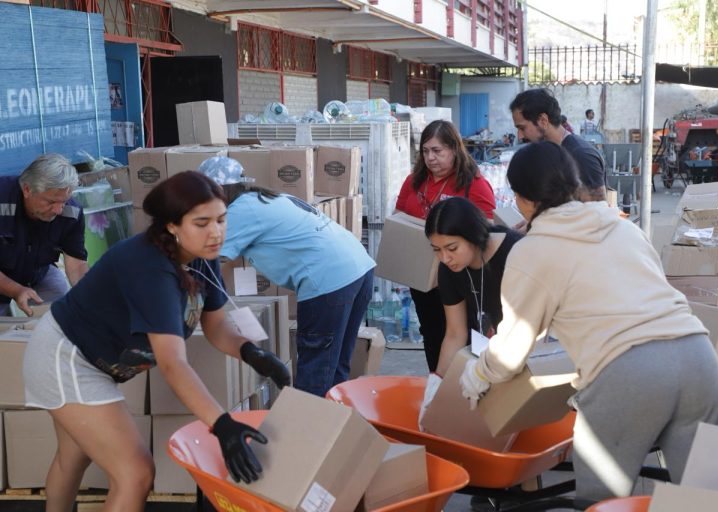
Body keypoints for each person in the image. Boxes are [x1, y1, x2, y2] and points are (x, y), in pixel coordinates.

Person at [459, 141, 718, 502]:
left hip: (629, 375)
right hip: (699, 359)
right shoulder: (624, 228)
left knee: (600, 504)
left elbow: (512, 350)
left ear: (522, 199)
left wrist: (478, 375)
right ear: (574, 185)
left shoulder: (532, 251)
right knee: (710, 502)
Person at [23, 171, 291, 512]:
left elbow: (216, 325)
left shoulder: (200, 257)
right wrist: (222, 424)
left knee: (72, 457)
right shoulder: (150, 269)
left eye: (222, 220)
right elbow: (173, 364)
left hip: (91, 358)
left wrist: (250, 352)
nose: (216, 232)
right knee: (135, 473)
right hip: (66, 358)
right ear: (172, 226)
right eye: (202, 222)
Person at [199, 156, 375, 398]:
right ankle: (334, 428)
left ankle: (307, 433)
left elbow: (203, 257)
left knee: (315, 373)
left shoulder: (240, 211)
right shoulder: (266, 198)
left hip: (329, 282)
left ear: (217, 190)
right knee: (335, 366)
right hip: (359, 269)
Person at [395, 120, 497, 373]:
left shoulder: (473, 184)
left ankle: (468, 385)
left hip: (459, 277)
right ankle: (437, 380)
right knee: (431, 330)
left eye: (438, 151)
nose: (431, 158)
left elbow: (488, 230)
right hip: (422, 276)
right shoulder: (414, 182)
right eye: (425, 151)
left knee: (464, 334)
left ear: (454, 149)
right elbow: (397, 217)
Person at [417, 196, 522, 428]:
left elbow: (531, 326)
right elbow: (455, 332)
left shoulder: (516, 253)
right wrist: (437, 381)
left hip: (522, 353)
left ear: (473, 236)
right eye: (437, 250)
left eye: (452, 248)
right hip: (486, 354)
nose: (445, 258)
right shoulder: (449, 268)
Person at [0, 153, 89, 316]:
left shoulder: (72, 212)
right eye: (51, 202)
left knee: (59, 298)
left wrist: (89, 298)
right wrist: (17, 290)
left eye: (63, 201)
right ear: (27, 189)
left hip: (36, 273)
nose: (58, 210)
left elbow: (76, 264)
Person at [510, 89, 606, 203]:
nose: (520, 136)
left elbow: (596, 215)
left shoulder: (580, 155)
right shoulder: (548, 154)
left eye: (522, 128)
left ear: (543, 120)